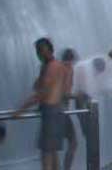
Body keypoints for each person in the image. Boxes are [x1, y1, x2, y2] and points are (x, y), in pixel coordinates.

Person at [13, 38, 67, 170]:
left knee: (46, 154)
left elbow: (42, 93)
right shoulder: (53, 66)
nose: (39, 55)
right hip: (55, 110)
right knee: (52, 152)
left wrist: (21, 110)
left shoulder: (52, 67)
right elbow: (37, 86)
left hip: (51, 112)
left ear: (48, 51)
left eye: (41, 51)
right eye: (38, 52)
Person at [60, 49, 78, 170]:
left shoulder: (58, 68)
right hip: (61, 111)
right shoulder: (67, 70)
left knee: (53, 146)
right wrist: (78, 96)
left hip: (57, 110)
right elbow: (64, 94)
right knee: (73, 142)